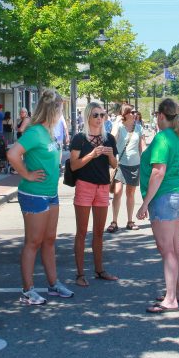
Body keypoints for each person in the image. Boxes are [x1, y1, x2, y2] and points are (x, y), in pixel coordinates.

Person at [6, 90, 75, 305]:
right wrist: (26, 174)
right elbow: (12, 154)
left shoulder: (49, 132)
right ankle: (28, 290)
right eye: (61, 107)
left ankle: (53, 284)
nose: (62, 111)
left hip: (50, 193)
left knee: (49, 240)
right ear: (53, 109)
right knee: (33, 242)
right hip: (34, 194)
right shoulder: (35, 132)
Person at [136, 99, 179, 313]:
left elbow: (158, 173)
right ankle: (178, 291)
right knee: (176, 246)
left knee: (167, 249)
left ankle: (170, 299)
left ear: (160, 116)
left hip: (165, 196)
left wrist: (144, 204)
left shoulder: (161, 138)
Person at [70, 102, 119, 287]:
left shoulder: (109, 139)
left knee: (99, 232)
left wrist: (109, 155)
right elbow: (74, 165)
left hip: (103, 187)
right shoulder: (79, 139)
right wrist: (92, 155)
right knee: (81, 232)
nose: (100, 119)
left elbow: (114, 165)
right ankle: (80, 274)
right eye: (96, 115)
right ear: (88, 117)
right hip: (84, 185)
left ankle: (100, 270)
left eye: (102, 115)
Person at [108, 104, 145, 233]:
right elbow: (110, 139)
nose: (135, 114)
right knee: (117, 193)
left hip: (135, 164)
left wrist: (147, 162)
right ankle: (114, 221)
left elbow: (142, 147)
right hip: (121, 164)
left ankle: (130, 221)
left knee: (130, 193)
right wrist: (115, 124)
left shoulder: (139, 128)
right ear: (125, 114)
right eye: (132, 112)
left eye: (136, 111)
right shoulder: (119, 127)